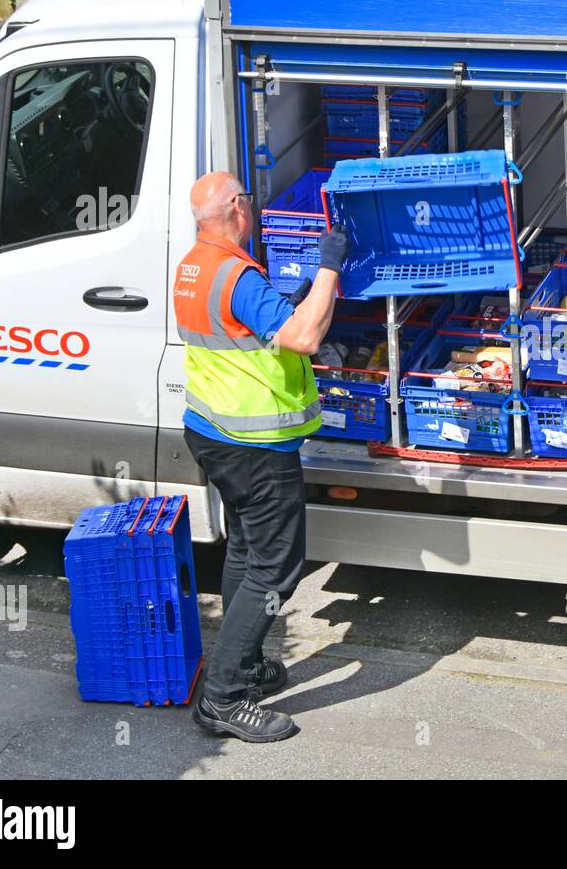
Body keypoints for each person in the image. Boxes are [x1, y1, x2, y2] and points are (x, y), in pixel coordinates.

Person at [173, 171, 348, 742]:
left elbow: (248, 335)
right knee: (275, 567)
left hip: (213, 430)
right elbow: (302, 339)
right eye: (248, 200)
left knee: (247, 552)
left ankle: (241, 665)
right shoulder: (237, 275)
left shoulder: (194, 266)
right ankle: (222, 698)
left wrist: (289, 307)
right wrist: (329, 267)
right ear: (238, 210)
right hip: (254, 445)